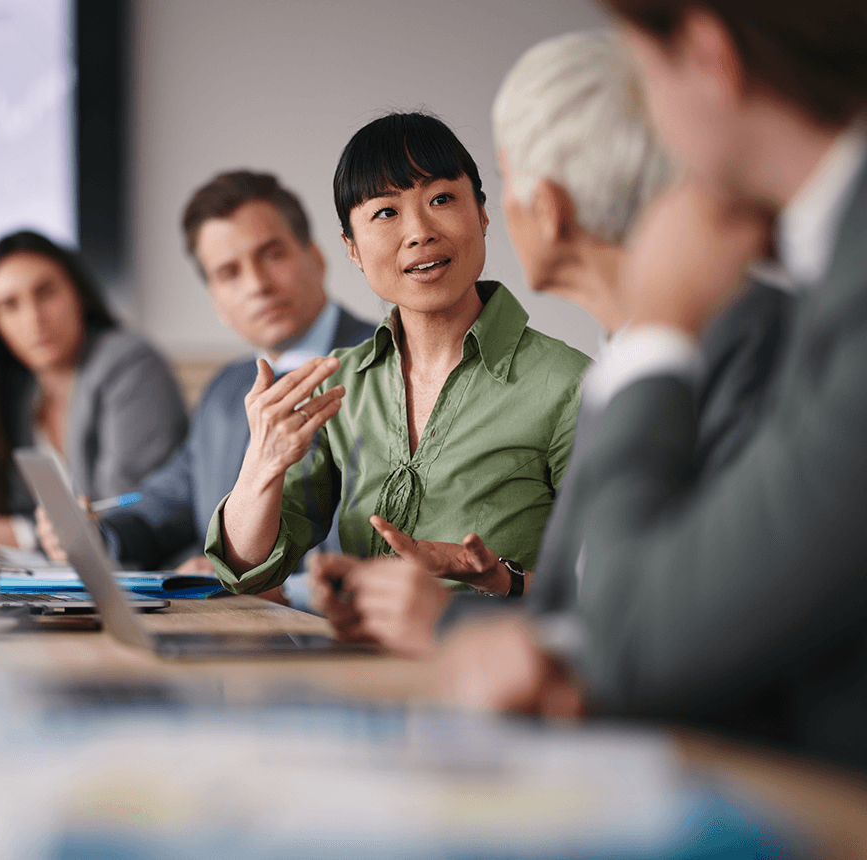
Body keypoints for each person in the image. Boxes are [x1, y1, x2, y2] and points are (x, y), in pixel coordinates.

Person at [434, 1, 867, 772]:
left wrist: (662, 325)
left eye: (644, 72)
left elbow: (641, 629)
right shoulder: (826, 266)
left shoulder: (805, 302)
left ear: (708, 57)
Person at [308, 31, 793, 655]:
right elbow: (590, 599)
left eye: (494, 184)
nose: (423, 231)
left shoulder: (701, 349)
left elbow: (683, 618)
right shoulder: (628, 359)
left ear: (547, 208)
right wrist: (491, 588)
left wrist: (450, 621)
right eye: (387, 212)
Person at [205, 113, 590, 596]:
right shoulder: (337, 384)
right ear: (351, 247)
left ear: (482, 213)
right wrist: (261, 464)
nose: (420, 232)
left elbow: (619, 588)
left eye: (441, 199)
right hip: (358, 646)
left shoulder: (571, 384)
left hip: (499, 645)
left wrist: (503, 580)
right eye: (386, 212)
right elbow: (248, 568)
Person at [40, 171, 375, 572]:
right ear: (216, 301)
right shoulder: (225, 391)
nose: (257, 285)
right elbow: (164, 504)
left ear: (316, 259)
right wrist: (94, 533)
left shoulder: (390, 363)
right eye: (229, 273)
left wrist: (252, 582)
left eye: (272, 255)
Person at [0, 229, 188, 547]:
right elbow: (26, 511)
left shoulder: (131, 365)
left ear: (77, 292)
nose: (34, 318)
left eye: (46, 293)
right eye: (10, 305)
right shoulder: (26, 392)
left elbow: (124, 514)